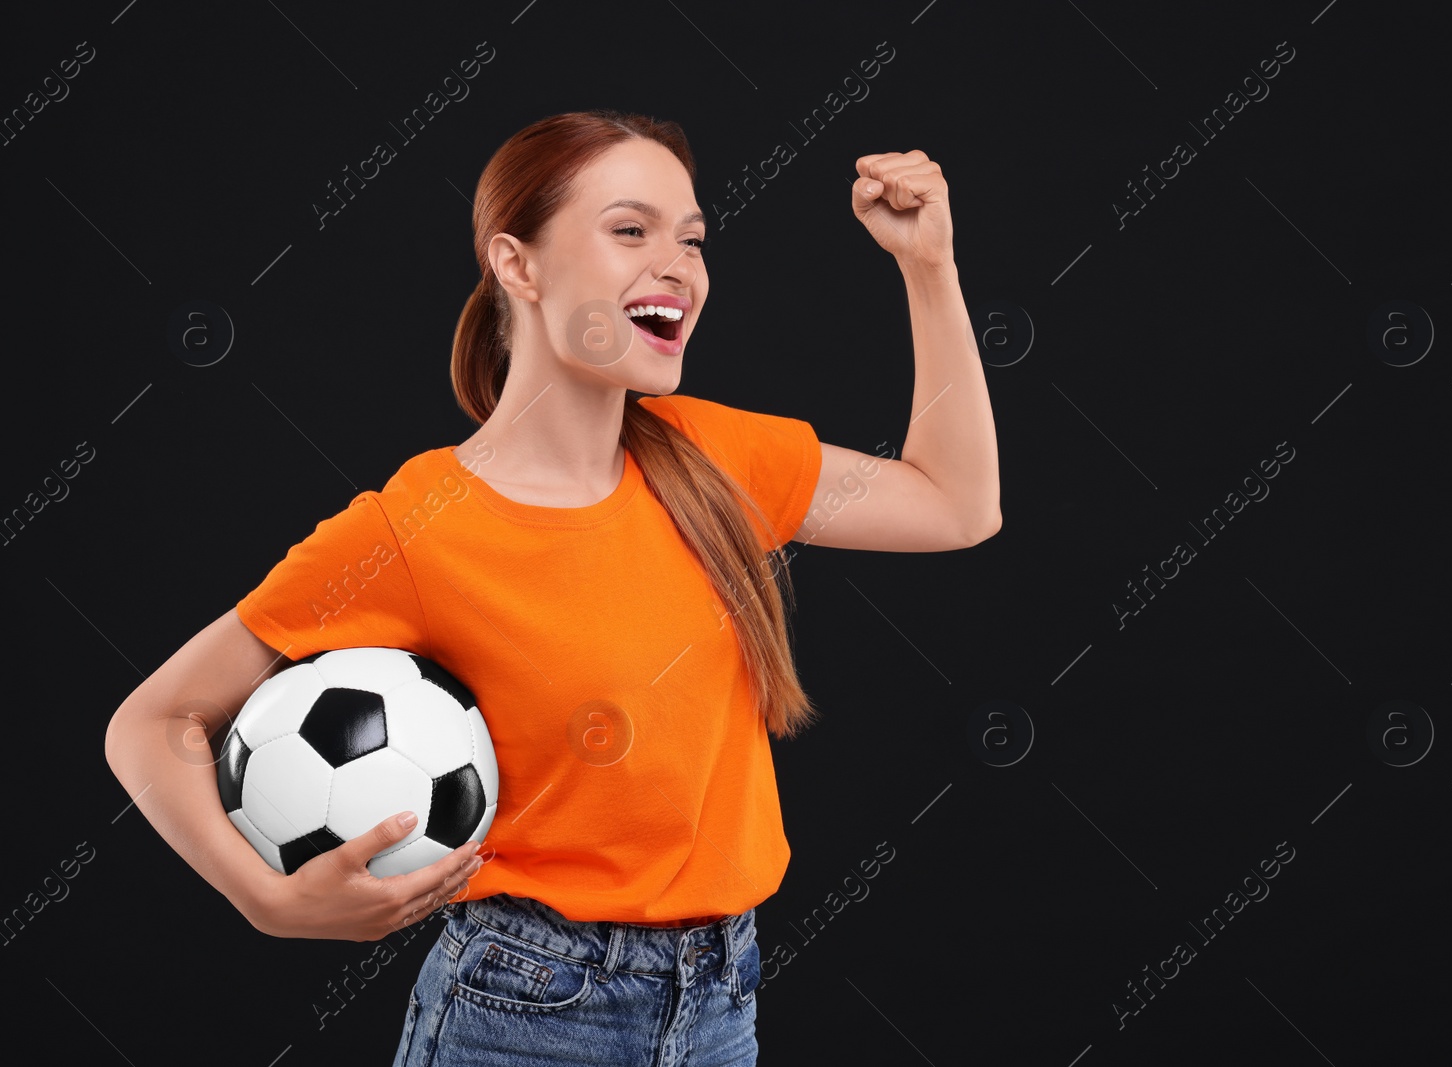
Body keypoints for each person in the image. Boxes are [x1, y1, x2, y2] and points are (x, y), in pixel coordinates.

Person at [104, 109, 999, 1066]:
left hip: (721, 1000)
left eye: (692, 239)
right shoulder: (416, 526)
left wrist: (928, 267)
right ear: (517, 264)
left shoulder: (712, 459)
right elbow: (152, 723)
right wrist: (271, 899)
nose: (679, 265)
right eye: (630, 229)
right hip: (524, 1011)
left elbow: (956, 503)